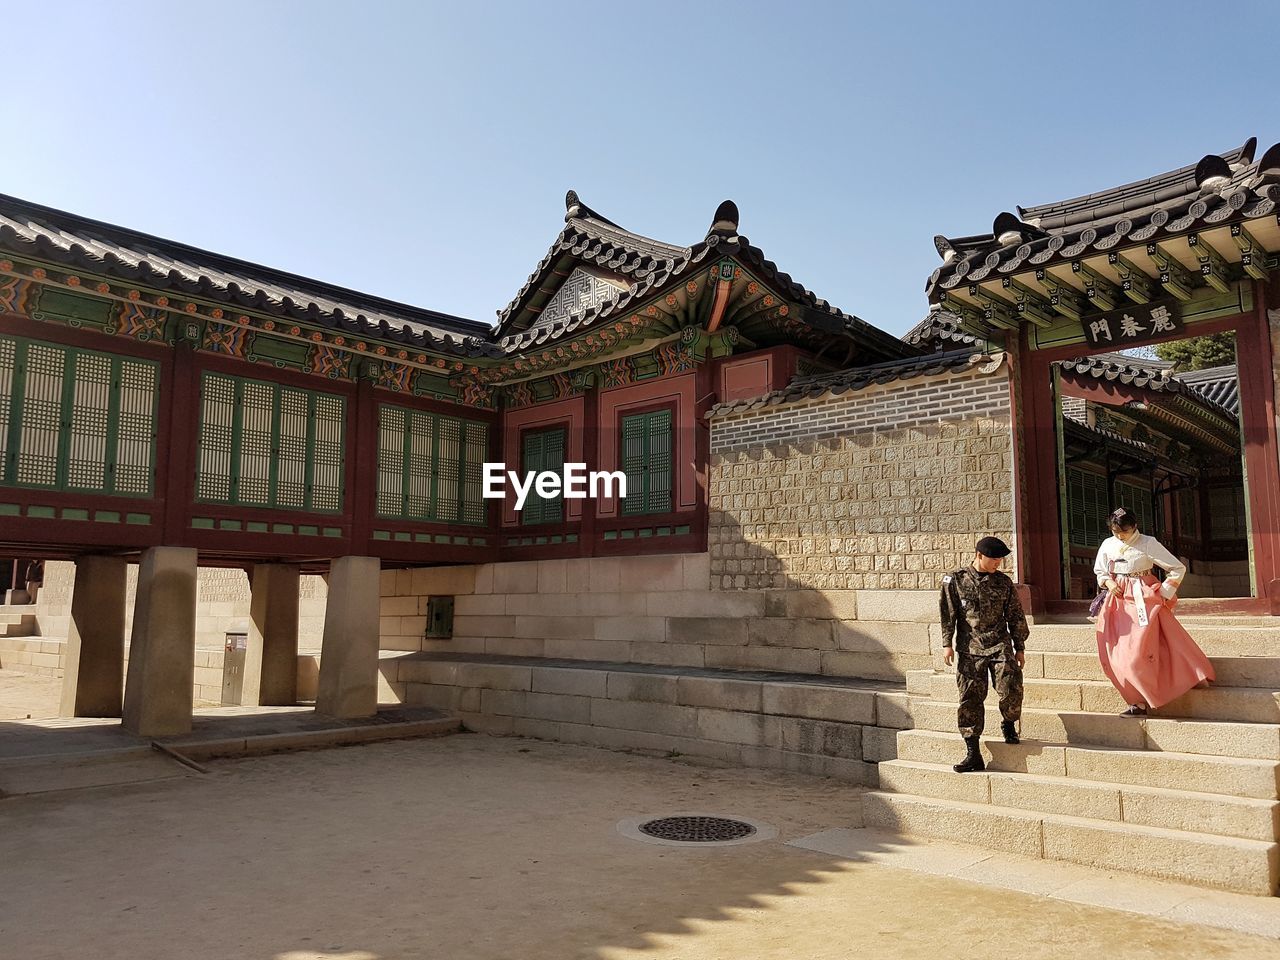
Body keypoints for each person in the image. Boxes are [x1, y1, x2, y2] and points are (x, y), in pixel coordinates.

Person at [1094, 507, 1213, 717]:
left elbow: (1177, 568)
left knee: (1139, 652)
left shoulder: (1148, 543)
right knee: (1115, 653)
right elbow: (1100, 570)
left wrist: (1163, 593)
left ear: (1135, 526)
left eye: (1125, 531)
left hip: (1143, 600)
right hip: (1117, 601)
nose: (1120, 536)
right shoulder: (1108, 544)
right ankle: (1136, 702)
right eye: (1116, 532)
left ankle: (1177, 680)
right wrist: (1108, 582)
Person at [939, 536, 1029, 773]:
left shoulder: (1003, 582)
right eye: (994, 558)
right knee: (970, 699)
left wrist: (1019, 646)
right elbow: (948, 613)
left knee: (1011, 689)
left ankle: (1009, 723)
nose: (998, 562)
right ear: (979, 555)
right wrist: (946, 643)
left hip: (1000, 644)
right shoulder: (955, 580)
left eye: (1001, 558)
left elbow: (1016, 615)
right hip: (970, 648)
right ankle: (973, 753)